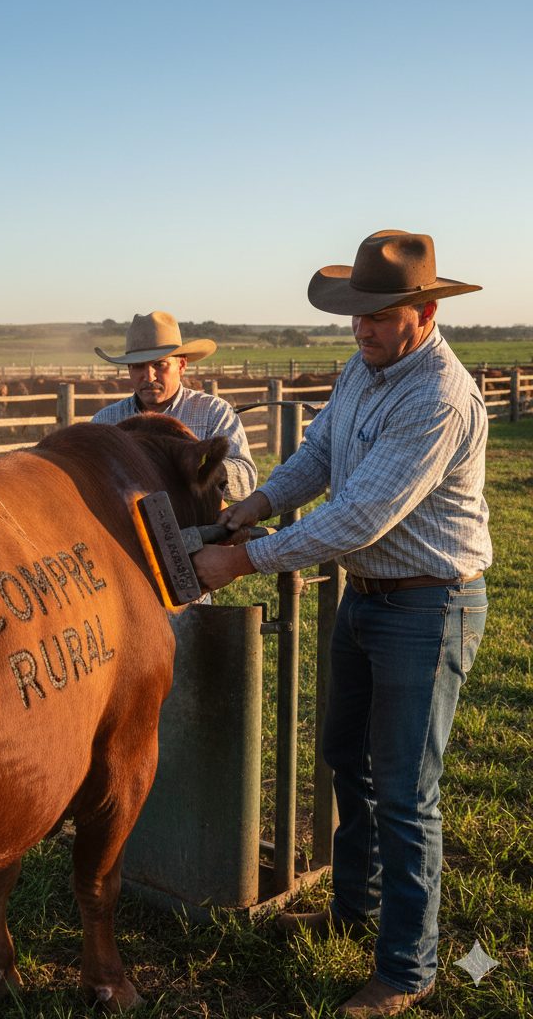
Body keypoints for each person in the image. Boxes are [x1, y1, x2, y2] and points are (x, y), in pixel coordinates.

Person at [194, 230, 492, 1017]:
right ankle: (353, 908)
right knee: (344, 759)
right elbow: (318, 456)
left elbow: (360, 516)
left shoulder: (439, 396)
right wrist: (256, 505)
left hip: (428, 604)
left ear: (422, 313)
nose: (360, 329)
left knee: (403, 791)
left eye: (378, 315)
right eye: (355, 315)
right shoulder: (364, 370)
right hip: (370, 597)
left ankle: (407, 966)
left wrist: (247, 561)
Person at [91, 310, 257, 502]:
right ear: (129, 369)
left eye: (160, 365)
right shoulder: (104, 422)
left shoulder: (214, 412)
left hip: (198, 527)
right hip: (123, 527)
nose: (149, 376)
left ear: (181, 365)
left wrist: (209, 468)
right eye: (137, 366)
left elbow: (246, 480)